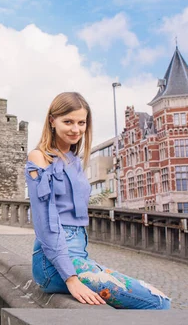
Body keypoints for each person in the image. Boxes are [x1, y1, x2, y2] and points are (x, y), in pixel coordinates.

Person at [26, 92, 171, 309]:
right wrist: (71, 278)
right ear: (51, 121)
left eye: (81, 123)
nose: (76, 129)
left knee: (156, 295)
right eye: (68, 122)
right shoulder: (39, 157)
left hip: (77, 258)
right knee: (158, 304)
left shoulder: (75, 161)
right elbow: (45, 221)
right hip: (53, 264)